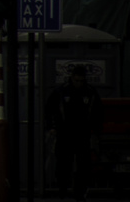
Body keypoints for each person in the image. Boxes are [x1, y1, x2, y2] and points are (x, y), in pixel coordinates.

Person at [45, 64, 103, 200]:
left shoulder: (90, 92)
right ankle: (62, 190)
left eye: (81, 81)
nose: (78, 84)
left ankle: (79, 193)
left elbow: (98, 113)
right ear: (72, 78)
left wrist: (96, 131)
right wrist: (51, 127)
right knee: (64, 164)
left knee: (83, 165)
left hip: (83, 133)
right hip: (65, 133)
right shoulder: (61, 91)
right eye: (76, 81)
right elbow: (49, 109)